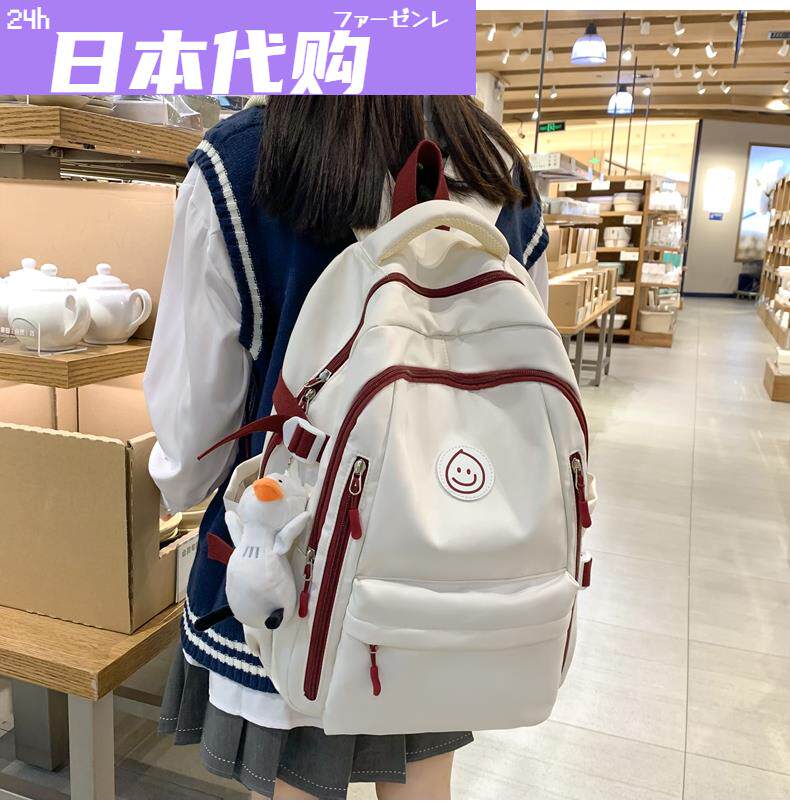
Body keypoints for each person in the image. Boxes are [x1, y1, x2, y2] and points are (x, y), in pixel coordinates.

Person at [144, 95, 549, 801]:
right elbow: (525, 378)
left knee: (292, 773)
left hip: (290, 571)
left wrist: (175, 488)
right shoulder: (497, 167)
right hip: (451, 566)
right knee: (423, 781)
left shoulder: (244, 160)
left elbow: (194, 441)